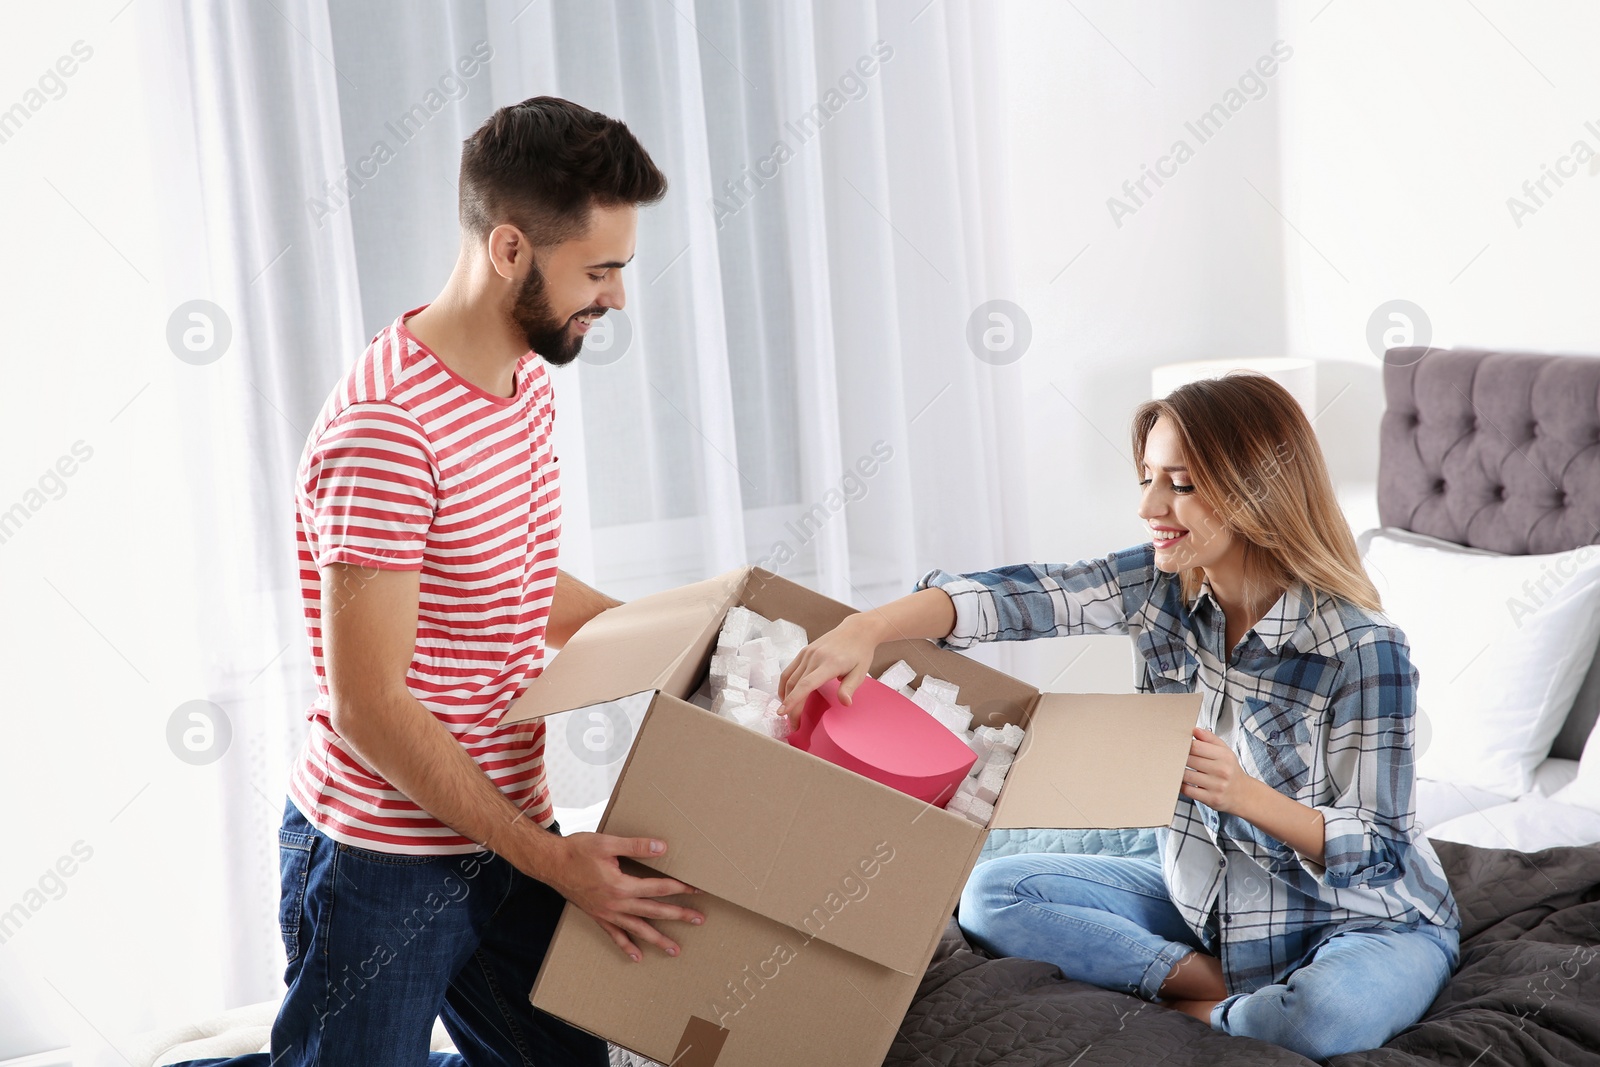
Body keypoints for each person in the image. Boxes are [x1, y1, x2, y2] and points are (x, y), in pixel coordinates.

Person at [173, 97, 703, 1067]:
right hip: (383, 863)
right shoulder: (385, 431)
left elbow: (513, 576)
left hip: (505, 824)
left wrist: (683, 631)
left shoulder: (524, 379)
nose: (619, 297)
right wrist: (555, 861)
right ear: (510, 249)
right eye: (601, 269)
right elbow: (369, 704)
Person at [777, 373, 1460, 1060]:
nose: (1149, 505)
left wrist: (1242, 793)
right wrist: (867, 626)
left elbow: (1378, 850)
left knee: (1320, 1020)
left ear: (1258, 490)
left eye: (1181, 483)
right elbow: (1021, 597)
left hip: (1363, 921)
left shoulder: (1363, 649)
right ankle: (1212, 987)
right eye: (1146, 478)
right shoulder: (1159, 584)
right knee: (990, 891)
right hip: (1210, 899)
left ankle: (1222, 1009)